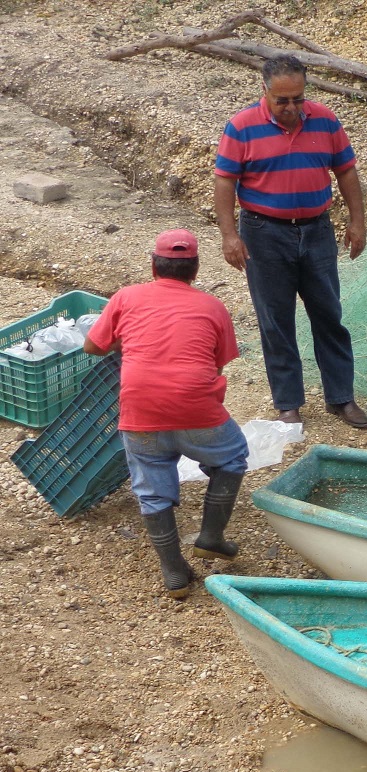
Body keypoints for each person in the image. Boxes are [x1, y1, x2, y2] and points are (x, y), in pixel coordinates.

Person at [84, 230, 249, 601]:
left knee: (152, 492)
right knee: (233, 456)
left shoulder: (126, 297)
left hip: (141, 411)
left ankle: (174, 572)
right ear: (195, 269)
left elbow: (92, 346)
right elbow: (217, 361)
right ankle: (210, 537)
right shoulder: (213, 306)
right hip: (198, 411)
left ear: (153, 266)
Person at [213, 53, 367, 430]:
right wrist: (229, 235)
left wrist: (357, 221)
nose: (290, 108)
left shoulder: (326, 119)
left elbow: (346, 170)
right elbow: (224, 182)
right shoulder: (241, 127)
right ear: (263, 90)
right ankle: (288, 404)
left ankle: (341, 398)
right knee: (275, 321)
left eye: (297, 99)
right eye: (282, 100)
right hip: (264, 234)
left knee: (328, 314)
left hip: (316, 230)